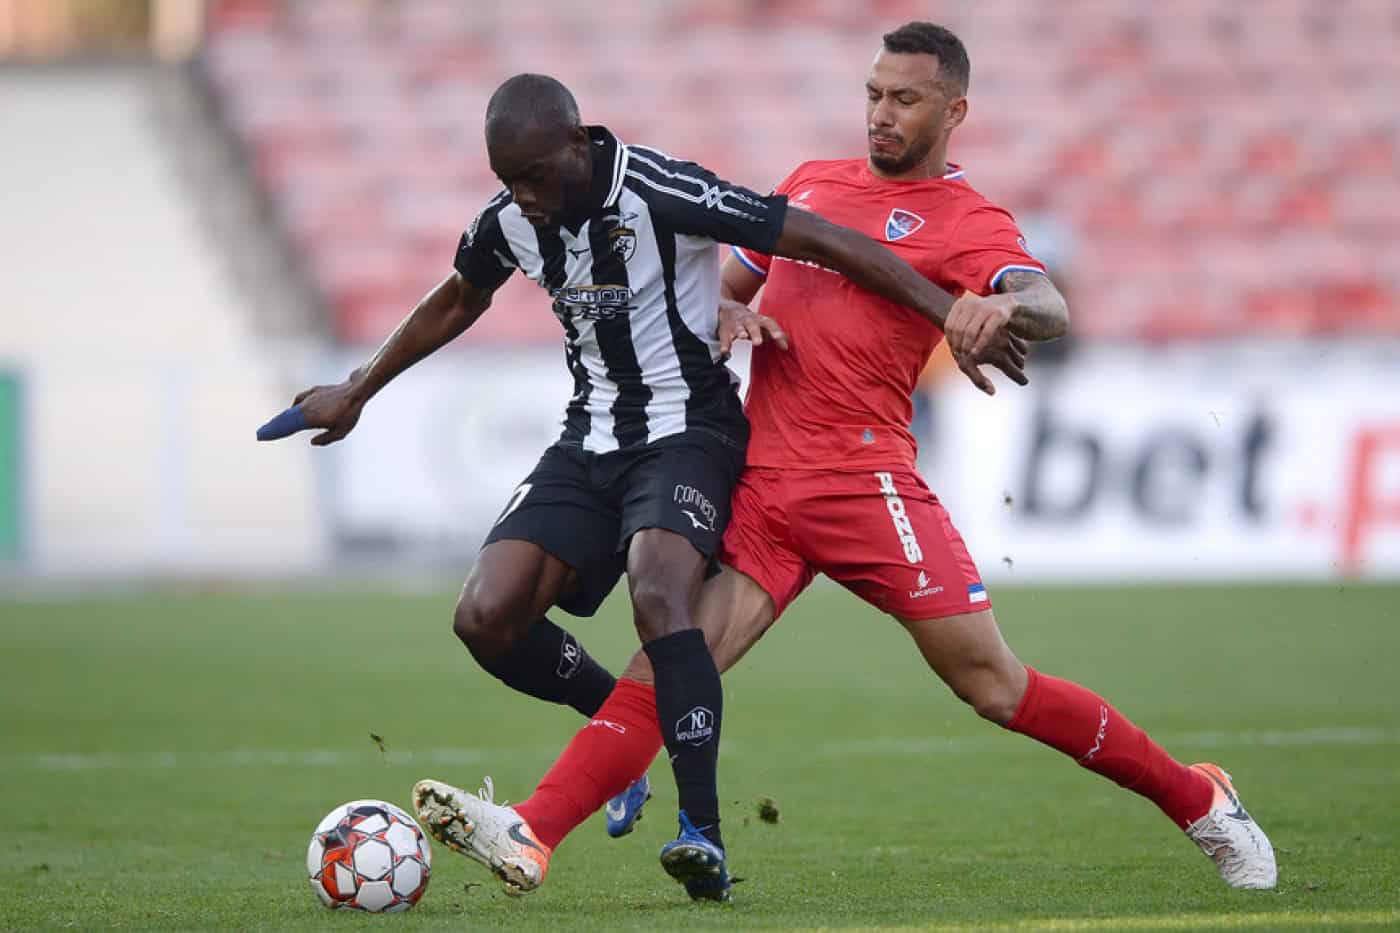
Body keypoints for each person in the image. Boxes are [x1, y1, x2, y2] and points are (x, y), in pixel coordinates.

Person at [413, 24, 1277, 903]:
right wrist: (728, 316)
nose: (881, 115)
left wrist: (995, 311)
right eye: (872, 95)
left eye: (904, 99)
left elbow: (1046, 301)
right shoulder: (812, 182)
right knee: (667, 657)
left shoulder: (970, 220)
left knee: (992, 684)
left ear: (955, 110)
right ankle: (534, 829)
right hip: (761, 481)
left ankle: (1198, 796)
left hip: (868, 486)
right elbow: (713, 292)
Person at [270, 72, 1025, 898]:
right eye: (506, 182)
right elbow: (459, 297)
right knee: (484, 616)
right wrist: (359, 386)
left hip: (689, 431)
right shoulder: (512, 222)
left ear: (576, 144)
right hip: (589, 437)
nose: (523, 197)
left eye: (533, 177)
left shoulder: (662, 189)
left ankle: (701, 830)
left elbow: (818, 237)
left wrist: (944, 309)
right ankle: (618, 748)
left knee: (658, 588)